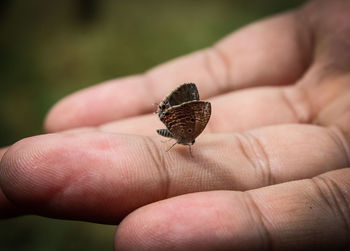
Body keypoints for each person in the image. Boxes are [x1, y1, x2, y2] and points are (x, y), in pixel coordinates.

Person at [1, 0, 349, 250]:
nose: (194, 146)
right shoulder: (188, 133)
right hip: (172, 124)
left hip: (173, 123)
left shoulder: (190, 137)